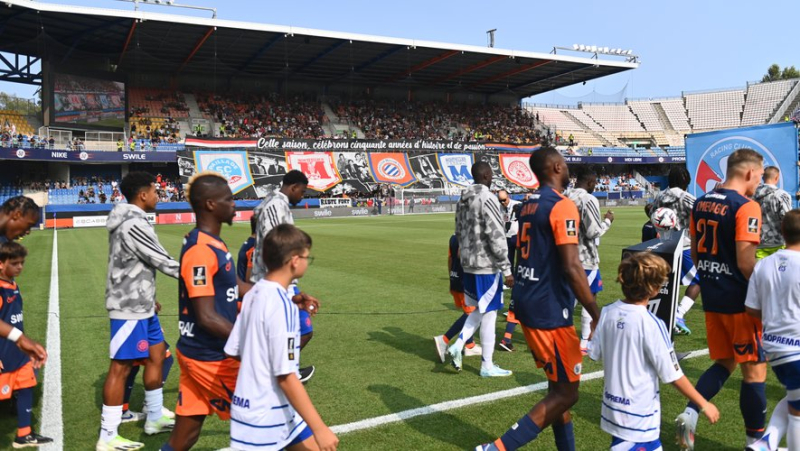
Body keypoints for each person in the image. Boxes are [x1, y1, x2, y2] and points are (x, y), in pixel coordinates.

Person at [476, 147, 600, 451]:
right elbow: (572, 266)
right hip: (549, 308)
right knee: (568, 394)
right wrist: (596, 311)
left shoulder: (529, 204)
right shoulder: (561, 205)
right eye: (566, 163)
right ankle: (496, 449)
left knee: (557, 388)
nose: (569, 167)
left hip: (527, 299)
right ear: (557, 166)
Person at [675, 148, 766, 450]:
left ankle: (690, 413)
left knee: (725, 362)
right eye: (760, 176)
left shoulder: (701, 202)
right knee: (754, 371)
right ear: (750, 173)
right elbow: (745, 261)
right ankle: (755, 442)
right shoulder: (747, 206)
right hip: (741, 302)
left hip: (713, 297)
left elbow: (698, 255)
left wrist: (715, 279)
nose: (759, 182)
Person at [589, 252, 719, 450]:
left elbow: (594, 353)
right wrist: (703, 403)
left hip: (611, 410)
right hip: (639, 418)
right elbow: (673, 375)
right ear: (656, 288)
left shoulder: (607, 312)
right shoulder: (652, 324)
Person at [224, 224, 338, 451]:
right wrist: (320, 427)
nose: (307, 261)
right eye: (307, 257)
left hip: (276, 406)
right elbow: (285, 376)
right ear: (295, 260)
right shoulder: (279, 305)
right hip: (263, 415)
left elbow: (234, 350)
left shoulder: (255, 292)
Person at [98, 172, 178, 451]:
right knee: (120, 367)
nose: (159, 195)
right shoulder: (133, 223)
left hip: (143, 304)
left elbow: (139, 264)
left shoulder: (134, 220)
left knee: (157, 355)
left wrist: (150, 296)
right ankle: (107, 435)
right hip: (128, 307)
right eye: (155, 191)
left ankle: (154, 417)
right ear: (142, 195)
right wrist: (203, 274)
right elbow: (161, 260)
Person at [159, 173, 238, 451]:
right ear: (210, 205)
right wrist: (252, 341)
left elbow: (234, 286)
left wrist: (280, 294)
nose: (234, 204)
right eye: (228, 199)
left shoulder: (213, 243)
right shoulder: (201, 250)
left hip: (198, 353)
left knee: (185, 436)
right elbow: (206, 317)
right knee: (276, 422)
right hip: (212, 358)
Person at [446, 162, 513, 378]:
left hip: (468, 262)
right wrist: (507, 269)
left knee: (480, 310)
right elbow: (496, 234)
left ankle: (458, 344)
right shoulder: (487, 198)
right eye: (491, 174)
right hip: (486, 263)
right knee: (490, 313)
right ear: (486, 175)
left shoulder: (463, 197)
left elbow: (457, 229)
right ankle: (487, 365)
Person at [249, 170, 316, 383]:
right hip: (276, 281)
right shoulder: (276, 205)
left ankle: (286, 371)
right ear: (294, 187)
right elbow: (275, 245)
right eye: (302, 192)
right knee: (301, 330)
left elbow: (255, 216)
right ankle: (283, 373)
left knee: (293, 330)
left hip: (278, 280)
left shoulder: (272, 202)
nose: (302, 196)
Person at [745, 209, 800, 451]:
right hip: (796, 346)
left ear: (781, 231)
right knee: (798, 410)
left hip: (774, 347)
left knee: (794, 397)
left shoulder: (764, 264)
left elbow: (751, 308)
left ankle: (767, 442)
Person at [0, 242, 54, 447]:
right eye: (14, 263)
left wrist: (26, 346)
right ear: (0, 264)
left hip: (17, 352)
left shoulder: (13, 284)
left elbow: (13, 321)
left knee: (27, 384)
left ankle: (24, 434)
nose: (20, 267)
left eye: (22, 263)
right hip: (3, 354)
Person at [567, 167, 614, 354]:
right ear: (590, 182)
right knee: (584, 299)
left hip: (566, 256)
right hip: (585, 258)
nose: (595, 186)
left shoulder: (564, 195)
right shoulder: (588, 199)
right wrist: (608, 221)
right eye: (595, 183)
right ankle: (578, 341)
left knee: (579, 298)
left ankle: (577, 340)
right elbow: (594, 232)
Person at [650, 166, 700, 336]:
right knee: (698, 279)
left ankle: (662, 318)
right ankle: (678, 314)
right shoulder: (686, 198)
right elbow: (701, 214)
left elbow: (651, 213)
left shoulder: (660, 196)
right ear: (686, 179)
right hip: (683, 245)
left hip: (663, 245)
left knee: (666, 283)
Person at [433, 234, 482, 363]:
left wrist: (451, 276)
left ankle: (470, 345)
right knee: (472, 314)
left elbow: (450, 259)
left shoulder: (453, 237)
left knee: (468, 311)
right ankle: (444, 339)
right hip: (465, 281)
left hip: (455, 277)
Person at [497, 190, 521, 352]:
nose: (503, 203)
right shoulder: (500, 209)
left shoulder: (516, 206)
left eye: (504, 200)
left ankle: (507, 337)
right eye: (501, 201)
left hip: (516, 238)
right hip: (507, 238)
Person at [753, 166, 792, 260]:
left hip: (756, 244)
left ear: (763, 177)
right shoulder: (782, 196)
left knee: (760, 274)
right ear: (777, 177)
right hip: (778, 245)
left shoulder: (751, 194)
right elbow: (788, 220)